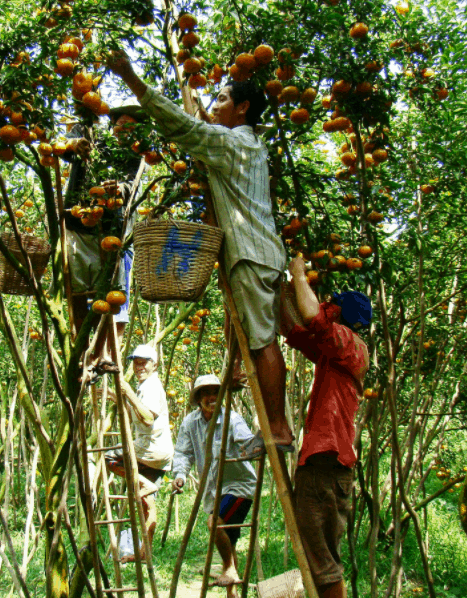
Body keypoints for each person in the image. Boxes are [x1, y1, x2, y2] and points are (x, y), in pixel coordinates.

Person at [105, 51, 293, 453]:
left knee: (262, 342)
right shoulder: (250, 144)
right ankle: (242, 373)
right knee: (251, 336)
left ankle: (277, 430)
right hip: (260, 254)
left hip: (250, 255)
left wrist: (132, 79)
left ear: (242, 108)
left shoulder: (232, 143)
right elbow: (205, 129)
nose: (215, 106)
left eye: (223, 100)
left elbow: (181, 126)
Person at [281, 256, 371, 598]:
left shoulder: (349, 343)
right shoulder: (336, 351)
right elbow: (295, 330)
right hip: (327, 462)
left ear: (341, 316)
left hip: (326, 461)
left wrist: (299, 273)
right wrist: (281, 289)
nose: (325, 307)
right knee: (319, 552)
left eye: (331, 306)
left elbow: (310, 317)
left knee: (320, 557)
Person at [60, 108, 145, 372]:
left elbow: (131, 187)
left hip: (111, 232)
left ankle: (103, 353)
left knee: (111, 293)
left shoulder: (137, 157)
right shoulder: (93, 141)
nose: (123, 129)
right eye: (119, 124)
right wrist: (76, 145)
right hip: (78, 223)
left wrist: (120, 189)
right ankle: (83, 346)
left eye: (130, 126)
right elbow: (62, 148)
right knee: (76, 285)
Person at [172, 374, 257, 598]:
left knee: (215, 523)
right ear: (198, 398)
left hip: (239, 486)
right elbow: (183, 452)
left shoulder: (232, 418)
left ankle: (229, 569)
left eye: (215, 393)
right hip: (213, 491)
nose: (211, 398)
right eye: (205, 394)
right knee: (228, 541)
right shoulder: (191, 422)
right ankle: (233, 593)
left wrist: (257, 445)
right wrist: (180, 475)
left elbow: (246, 442)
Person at [105, 343, 174, 562]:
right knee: (147, 504)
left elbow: (147, 418)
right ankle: (144, 553)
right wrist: (119, 398)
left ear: (154, 365)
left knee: (108, 456)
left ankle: (145, 483)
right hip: (157, 453)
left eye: (144, 363)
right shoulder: (146, 386)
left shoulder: (151, 386)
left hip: (149, 450)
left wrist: (128, 392)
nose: (139, 367)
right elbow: (137, 414)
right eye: (136, 363)